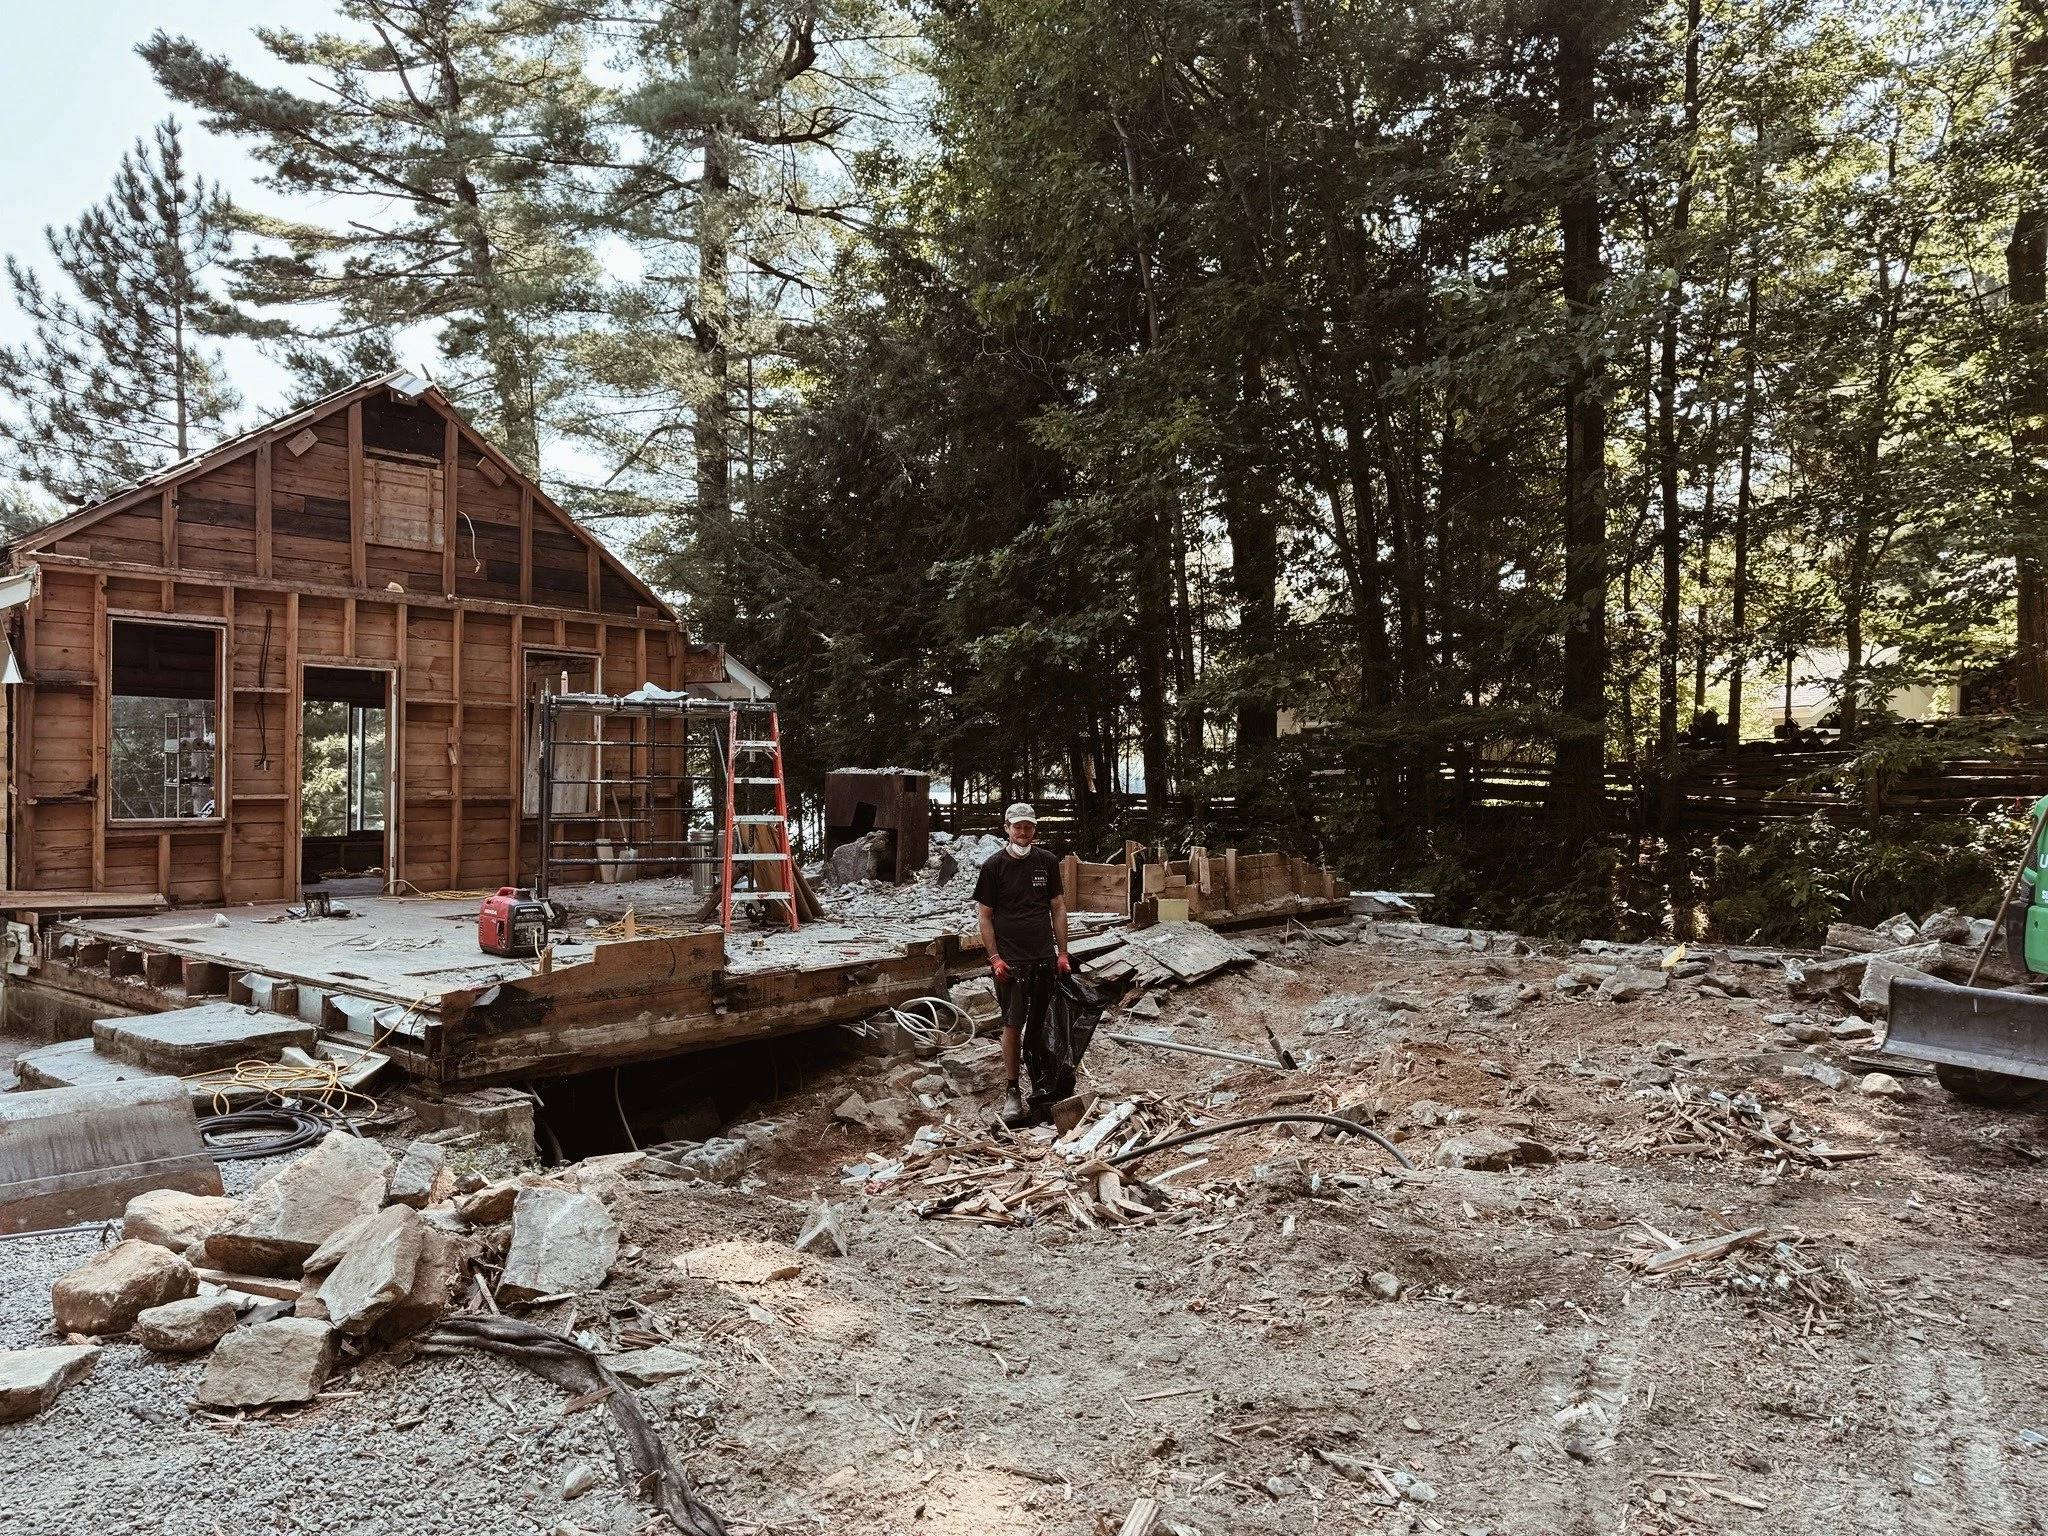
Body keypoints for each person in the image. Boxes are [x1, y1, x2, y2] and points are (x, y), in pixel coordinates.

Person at [974, 803, 1071, 1126]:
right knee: (1013, 1025)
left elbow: (1058, 908)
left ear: (1035, 829)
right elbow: (984, 916)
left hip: (1043, 960)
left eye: (1028, 826)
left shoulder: (1047, 861)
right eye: (1017, 826)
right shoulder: (994, 866)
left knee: (1042, 1026)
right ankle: (1012, 1089)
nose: (1023, 832)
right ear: (1006, 828)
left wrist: (1062, 953)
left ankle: (1044, 1087)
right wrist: (995, 958)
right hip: (1011, 964)